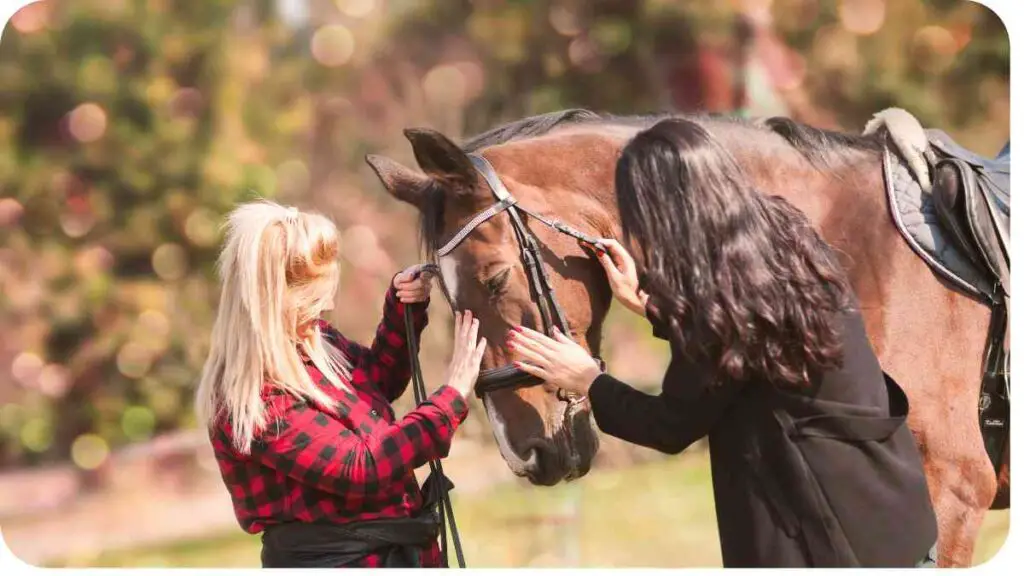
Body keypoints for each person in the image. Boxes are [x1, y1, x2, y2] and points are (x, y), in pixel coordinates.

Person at [506, 119, 939, 567]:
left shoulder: (718, 296)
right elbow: (749, 344)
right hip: (891, 509)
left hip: (829, 535)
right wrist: (651, 304)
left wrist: (589, 380)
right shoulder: (785, 231)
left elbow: (669, 425)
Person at [194, 200, 486, 568]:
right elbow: (361, 467)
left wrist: (403, 310)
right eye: (316, 295)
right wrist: (450, 399)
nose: (329, 302)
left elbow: (378, 383)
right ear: (275, 298)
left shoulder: (312, 341)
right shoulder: (254, 397)